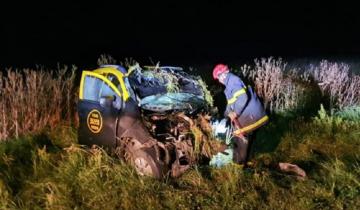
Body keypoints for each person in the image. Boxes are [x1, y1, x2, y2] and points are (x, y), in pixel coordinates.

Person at [213, 64, 268, 164]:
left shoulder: (233, 80)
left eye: (218, 78)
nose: (219, 80)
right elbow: (230, 104)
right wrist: (225, 116)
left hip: (251, 114)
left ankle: (239, 163)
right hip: (249, 113)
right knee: (241, 135)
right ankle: (248, 158)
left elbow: (243, 98)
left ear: (223, 75)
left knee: (239, 135)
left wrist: (235, 113)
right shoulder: (229, 85)